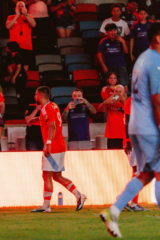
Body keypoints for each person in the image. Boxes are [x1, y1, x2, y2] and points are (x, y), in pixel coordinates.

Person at [100, 22, 160, 238]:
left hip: (138, 124)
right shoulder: (154, 62)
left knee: (145, 174)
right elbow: (155, 100)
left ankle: (114, 211)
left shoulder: (143, 60)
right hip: (147, 124)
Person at [27, 86, 86, 212]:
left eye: (36, 95)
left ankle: (46, 206)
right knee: (57, 176)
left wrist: (48, 143)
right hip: (59, 145)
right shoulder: (53, 105)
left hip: (53, 146)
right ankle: (78, 195)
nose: (34, 97)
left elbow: (52, 126)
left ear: (40, 96)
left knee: (46, 175)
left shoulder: (46, 108)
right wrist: (37, 120)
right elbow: (53, 121)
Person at [123, 81, 147, 211]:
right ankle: (129, 201)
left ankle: (130, 202)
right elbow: (127, 121)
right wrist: (127, 140)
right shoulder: (131, 101)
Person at [6, 1, 36, 69]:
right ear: (15, 8)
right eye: (18, 6)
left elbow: (33, 25)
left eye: (22, 6)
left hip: (26, 46)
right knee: (12, 65)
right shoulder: (10, 17)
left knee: (26, 64)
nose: (20, 8)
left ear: (25, 8)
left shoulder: (29, 16)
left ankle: (24, 79)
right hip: (13, 47)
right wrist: (17, 15)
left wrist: (26, 14)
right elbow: (8, 26)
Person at [99, 84, 126, 149]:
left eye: (120, 92)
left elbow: (132, 112)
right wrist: (105, 102)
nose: (118, 93)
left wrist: (123, 102)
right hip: (112, 135)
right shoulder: (110, 102)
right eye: (116, 91)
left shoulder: (127, 102)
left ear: (124, 93)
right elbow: (101, 110)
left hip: (124, 135)